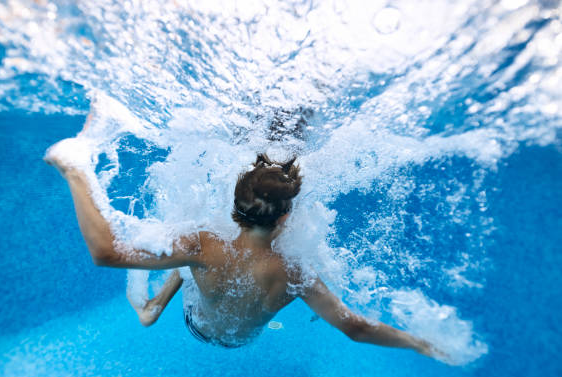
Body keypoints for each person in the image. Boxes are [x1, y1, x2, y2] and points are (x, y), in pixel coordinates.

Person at [44, 107, 437, 357]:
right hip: (240, 339)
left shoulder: (203, 243)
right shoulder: (297, 272)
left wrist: (77, 171)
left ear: (235, 205)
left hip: (195, 323)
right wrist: (420, 343)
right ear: (286, 216)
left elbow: (107, 253)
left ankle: (153, 308)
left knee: (192, 243)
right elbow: (356, 327)